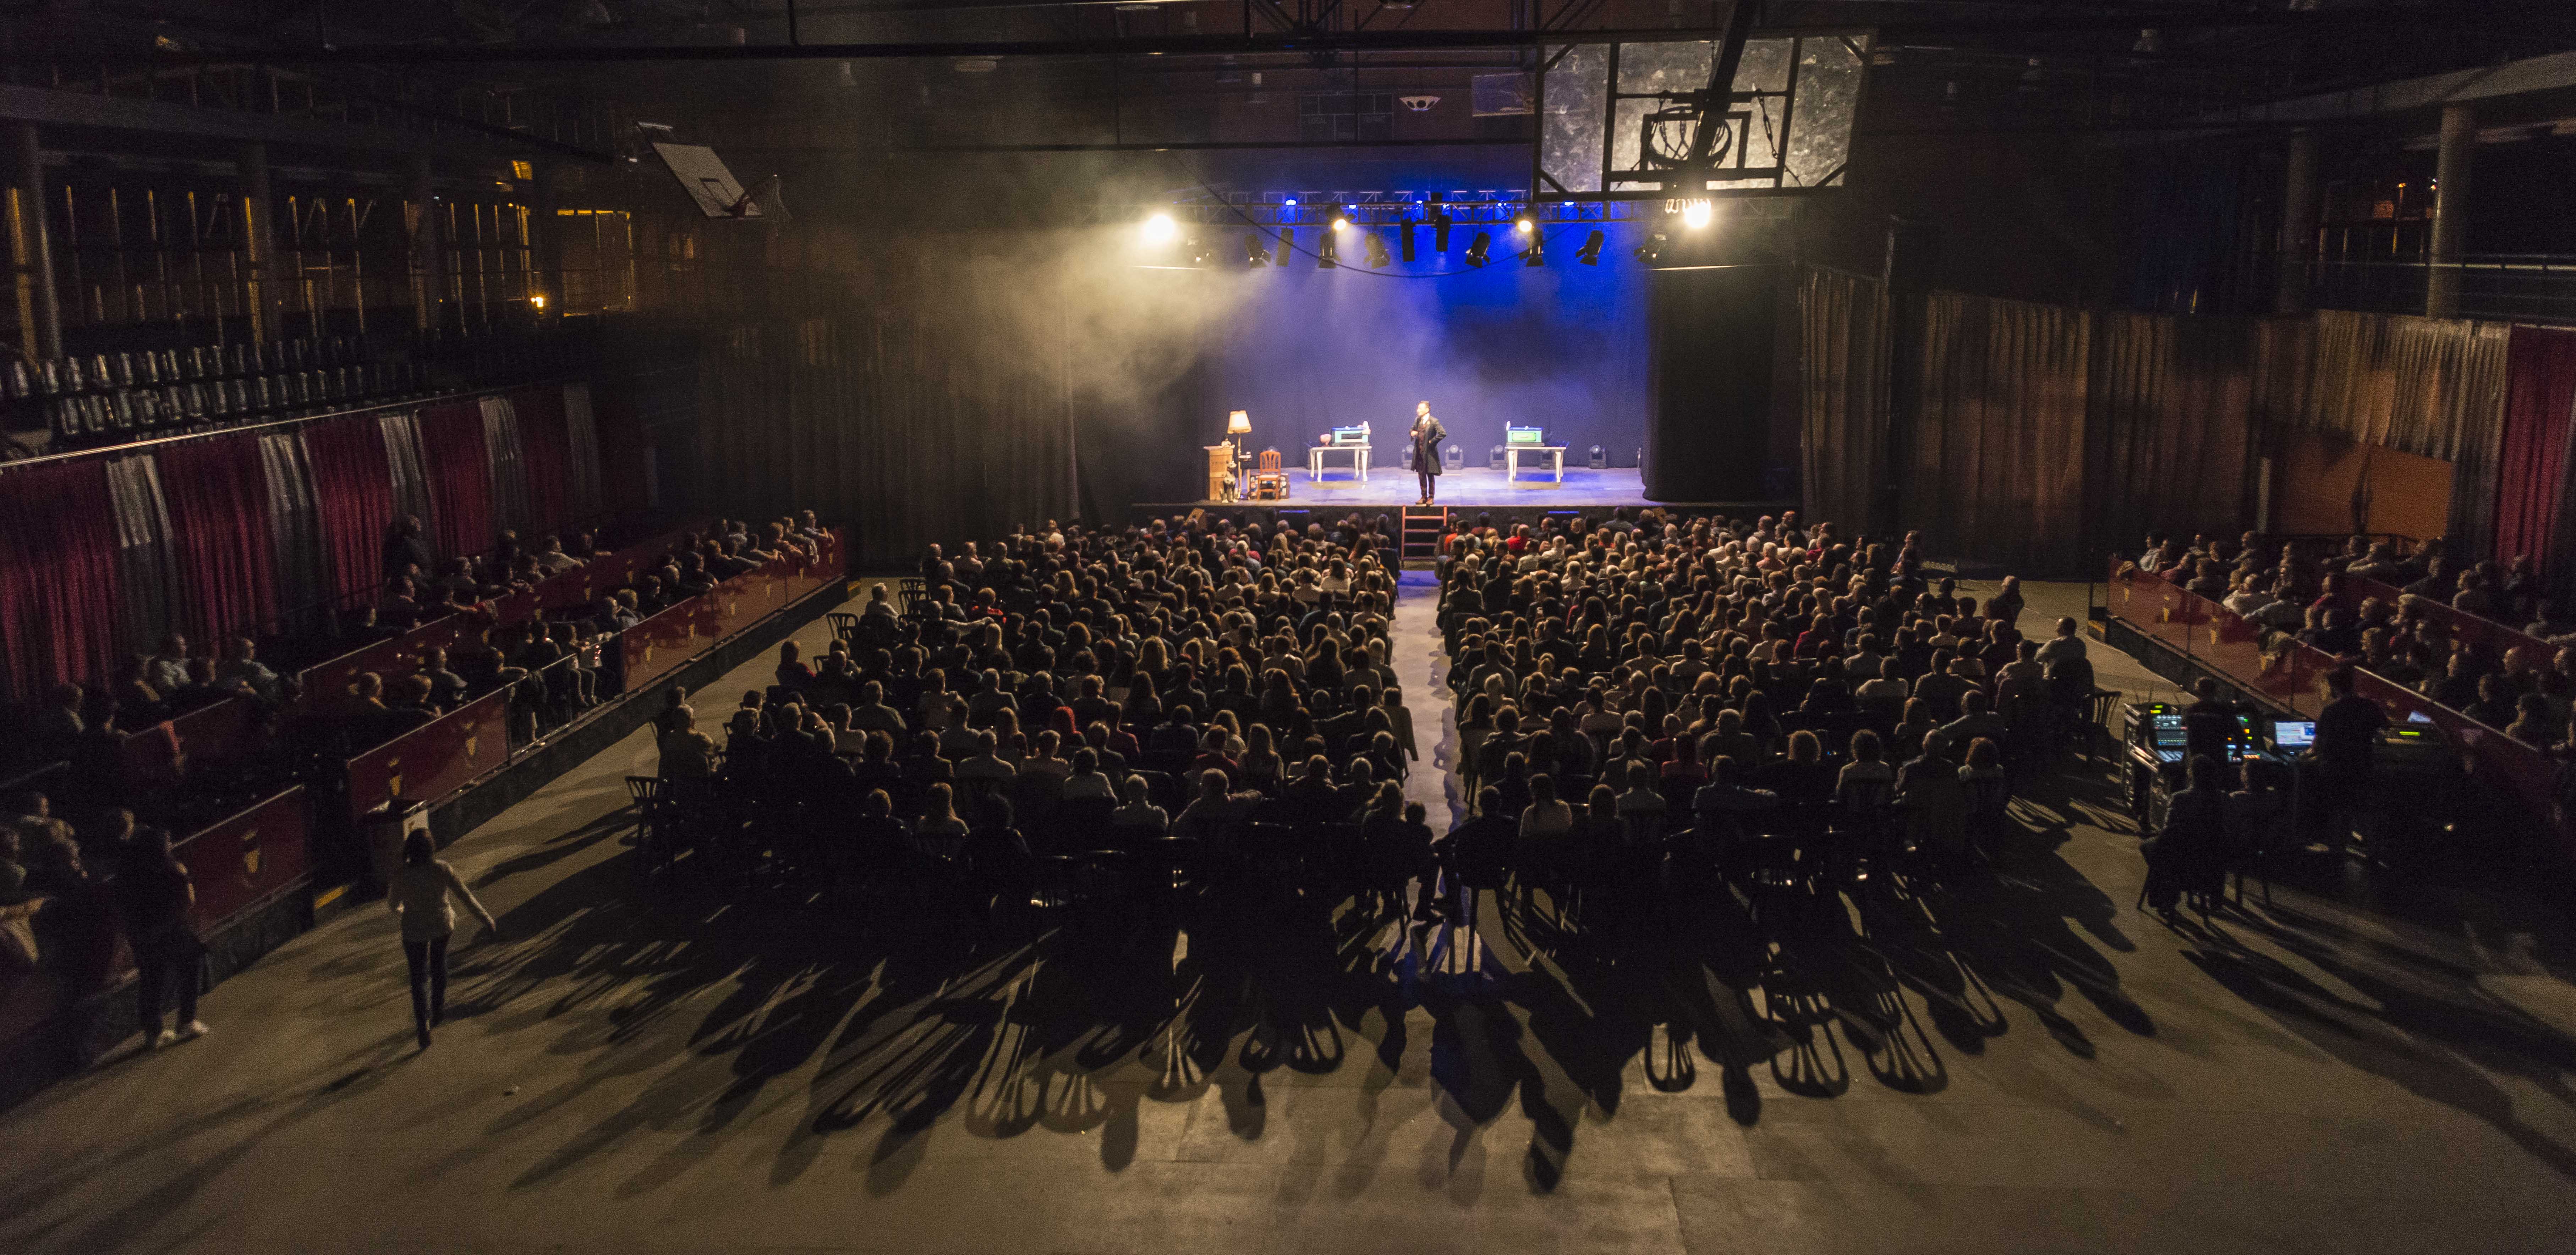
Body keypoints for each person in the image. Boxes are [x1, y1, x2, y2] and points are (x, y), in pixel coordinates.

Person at [387, 830, 499, 1049]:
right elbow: (465, 896)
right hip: (441, 926)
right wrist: (486, 919)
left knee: (418, 977)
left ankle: (423, 1025)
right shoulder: (442, 869)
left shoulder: (401, 874)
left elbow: (393, 905)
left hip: (414, 930)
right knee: (439, 964)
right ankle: (438, 1008)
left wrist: (404, 911)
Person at [115, 828, 207, 1050]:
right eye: (168, 843)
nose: (171, 846)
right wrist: (184, 877)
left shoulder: (129, 873)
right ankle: (187, 1020)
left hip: (143, 933)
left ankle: (154, 1032)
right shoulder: (171, 868)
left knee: (152, 979)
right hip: (170, 928)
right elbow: (189, 900)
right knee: (191, 964)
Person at [1408, 401, 1447, 506]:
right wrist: (1412, 433)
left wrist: (1432, 442)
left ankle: (1431, 497)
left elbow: (1443, 433)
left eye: (1420, 409)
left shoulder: (1434, 421)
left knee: (1430, 475)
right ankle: (1424, 496)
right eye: (1418, 408)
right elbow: (1412, 429)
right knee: (1421, 475)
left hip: (1429, 453)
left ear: (1427, 410)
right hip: (1420, 452)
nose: (1418, 410)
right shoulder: (1418, 420)